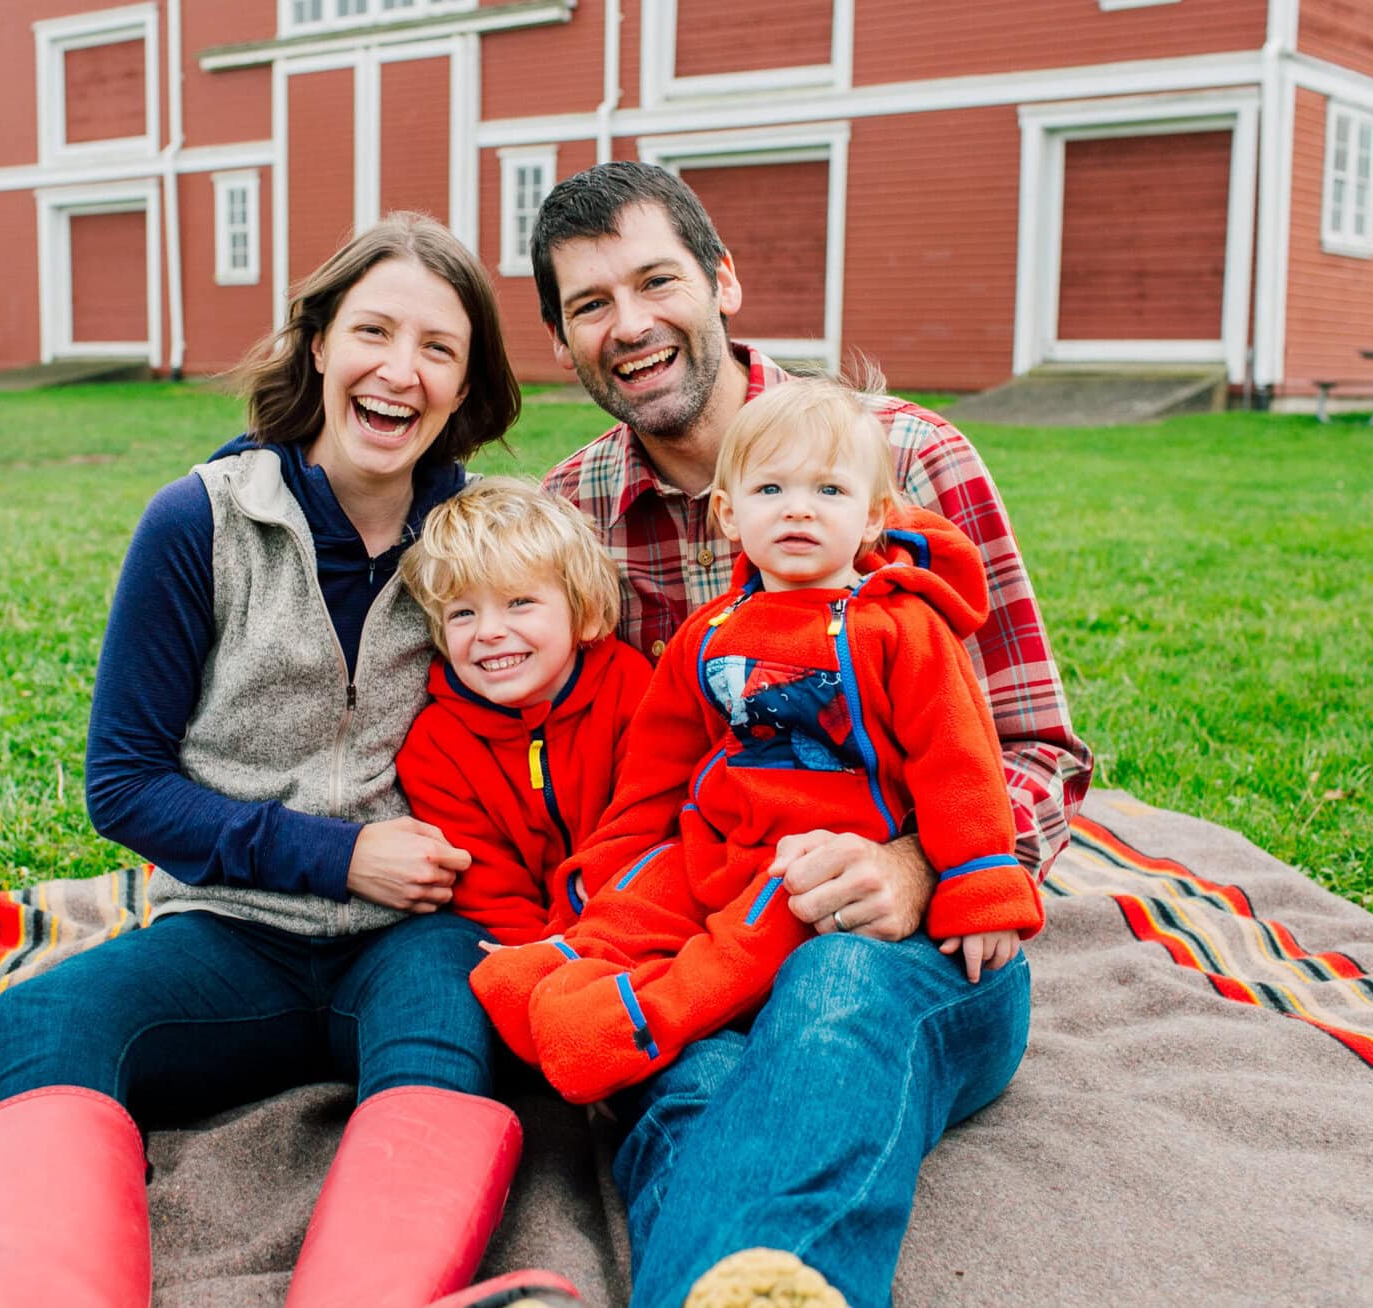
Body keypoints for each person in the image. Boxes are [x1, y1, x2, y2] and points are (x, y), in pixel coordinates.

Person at [0, 214, 568, 1308]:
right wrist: (339, 856)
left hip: (420, 931)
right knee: (37, 1018)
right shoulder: (199, 522)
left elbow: (577, 725)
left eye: (438, 348)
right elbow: (123, 785)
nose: (399, 371)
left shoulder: (489, 544)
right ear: (319, 343)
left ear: (465, 385)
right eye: (373, 330)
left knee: (448, 1029)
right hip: (230, 930)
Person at [531, 162, 1095, 1306]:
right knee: (683, 1072)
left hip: (907, 943)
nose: (629, 325)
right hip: (709, 928)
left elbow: (1038, 749)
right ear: (562, 342)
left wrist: (921, 864)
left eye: (655, 282)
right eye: (590, 305)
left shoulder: (905, 459)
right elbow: (608, 769)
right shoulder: (570, 513)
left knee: (832, 992)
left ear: (722, 281)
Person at [472, 376, 1044, 1108]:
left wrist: (980, 885)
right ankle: (558, 967)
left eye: (829, 492)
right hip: (715, 839)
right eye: (770, 489)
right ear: (729, 514)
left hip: (815, 857)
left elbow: (958, 763)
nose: (799, 508)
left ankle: (640, 1020)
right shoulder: (706, 634)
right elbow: (653, 776)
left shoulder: (900, 627)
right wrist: (594, 891)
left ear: (873, 519)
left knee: (742, 944)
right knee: (646, 894)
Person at [394, 477, 655, 947]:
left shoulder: (631, 691)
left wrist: (586, 937)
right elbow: (486, 884)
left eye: (520, 603)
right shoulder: (436, 747)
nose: (490, 631)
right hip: (521, 942)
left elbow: (644, 828)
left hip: (633, 919)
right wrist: (540, 953)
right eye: (462, 613)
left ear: (583, 612)